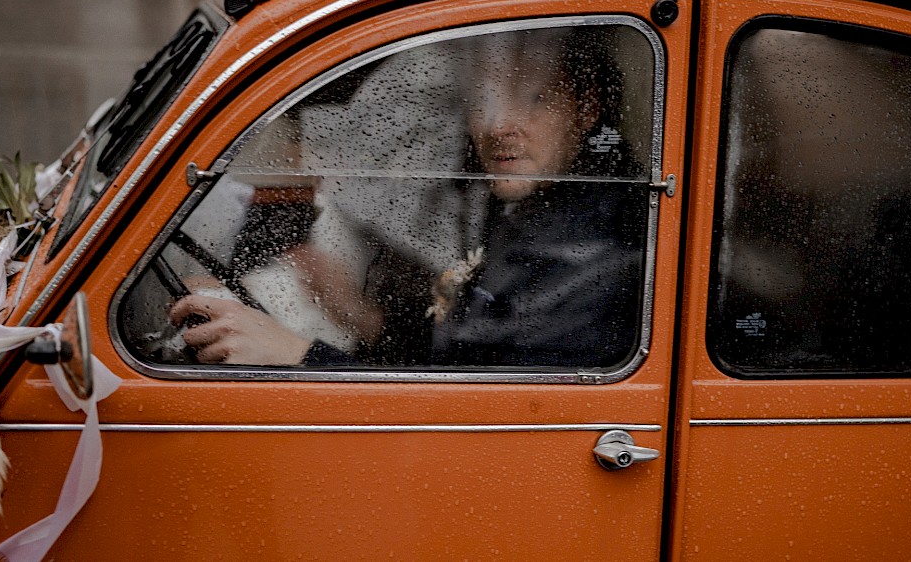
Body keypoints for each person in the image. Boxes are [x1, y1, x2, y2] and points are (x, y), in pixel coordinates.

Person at [169, 27, 646, 368]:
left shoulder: (596, 246)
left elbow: (474, 418)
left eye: (533, 98)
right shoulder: (532, 202)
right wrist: (361, 317)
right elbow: (464, 353)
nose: (498, 125)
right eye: (485, 100)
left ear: (586, 108)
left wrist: (297, 356)